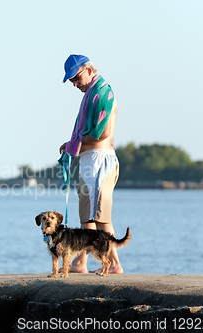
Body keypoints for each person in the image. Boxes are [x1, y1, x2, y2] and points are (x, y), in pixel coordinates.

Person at [59, 54, 123, 274]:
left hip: (99, 161)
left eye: (76, 78)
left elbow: (101, 133)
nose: (75, 84)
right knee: (89, 215)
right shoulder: (92, 94)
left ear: (88, 70)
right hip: (91, 161)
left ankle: (112, 264)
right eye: (71, 81)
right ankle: (82, 263)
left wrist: (72, 145)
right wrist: (71, 146)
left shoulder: (103, 93)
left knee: (97, 216)